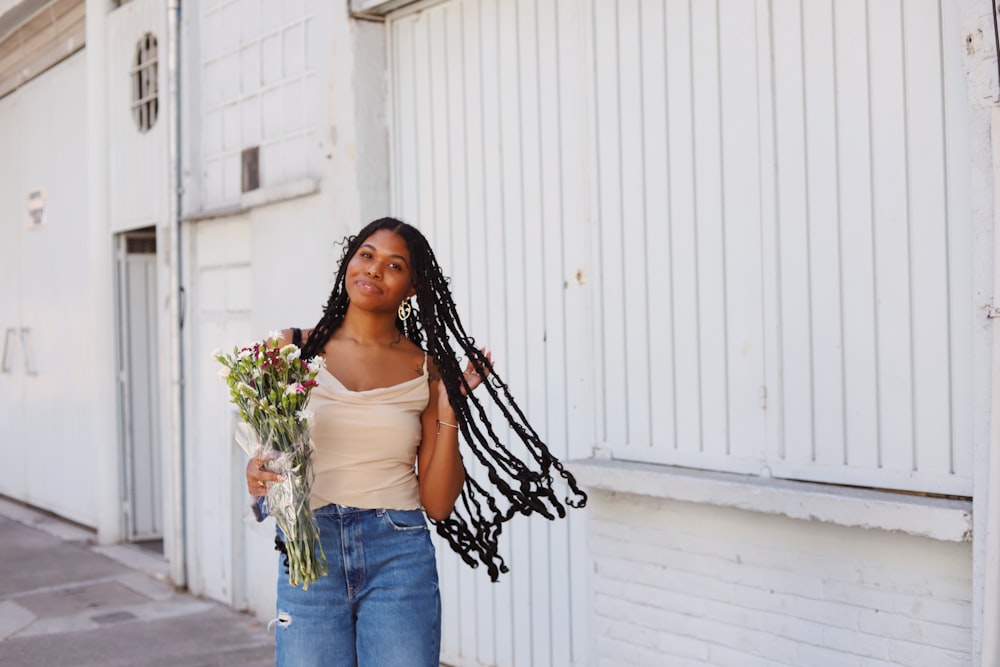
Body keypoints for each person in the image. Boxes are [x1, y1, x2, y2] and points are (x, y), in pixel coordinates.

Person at [244, 217, 586, 666]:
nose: (373, 269)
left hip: (397, 552)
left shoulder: (426, 370)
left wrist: (448, 410)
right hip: (312, 552)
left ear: (412, 288)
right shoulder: (291, 350)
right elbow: (266, 457)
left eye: (394, 264)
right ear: (349, 261)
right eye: (366, 254)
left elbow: (439, 504)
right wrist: (256, 475)